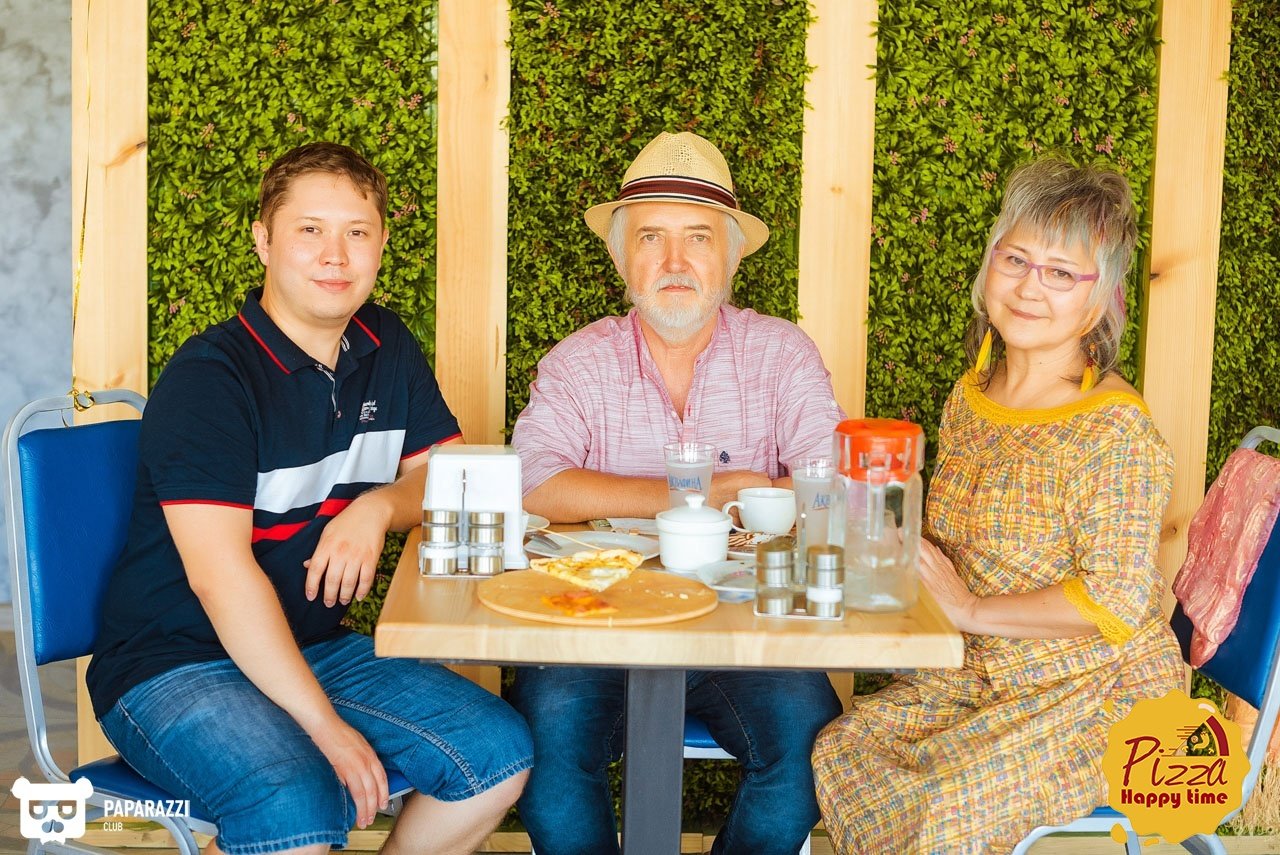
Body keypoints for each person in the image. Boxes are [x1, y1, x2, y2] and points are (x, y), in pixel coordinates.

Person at [86, 142, 532, 855]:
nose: (335, 255)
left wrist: (376, 508)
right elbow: (221, 578)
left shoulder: (385, 343)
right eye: (310, 230)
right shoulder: (211, 379)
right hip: (173, 664)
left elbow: (447, 476)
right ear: (263, 240)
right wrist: (326, 727)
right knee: (296, 799)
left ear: (381, 244)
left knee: (496, 753)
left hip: (311, 645)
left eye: (357, 232)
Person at [812, 157, 1184, 853]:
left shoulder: (1114, 431)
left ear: (1101, 298)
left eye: (1061, 273)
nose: (1029, 286)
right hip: (976, 678)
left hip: (1094, 693)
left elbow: (1115, 599)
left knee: (944, 808)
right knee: (845, 748)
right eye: (1016, 260)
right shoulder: (973, 393)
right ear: (989, 265)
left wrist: (970, 610)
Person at [509, 131, 844, 855]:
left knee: (811, 748)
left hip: (745, 633)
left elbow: (831, 482)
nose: (674, 261)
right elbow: (535, 479)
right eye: (650, 237)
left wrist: (756, 495)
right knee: (542, 749)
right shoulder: (579, 361)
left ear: (730, 256)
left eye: (697, 237)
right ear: (621, 257)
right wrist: (699, 493)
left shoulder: (781, 353)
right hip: (594, 624)